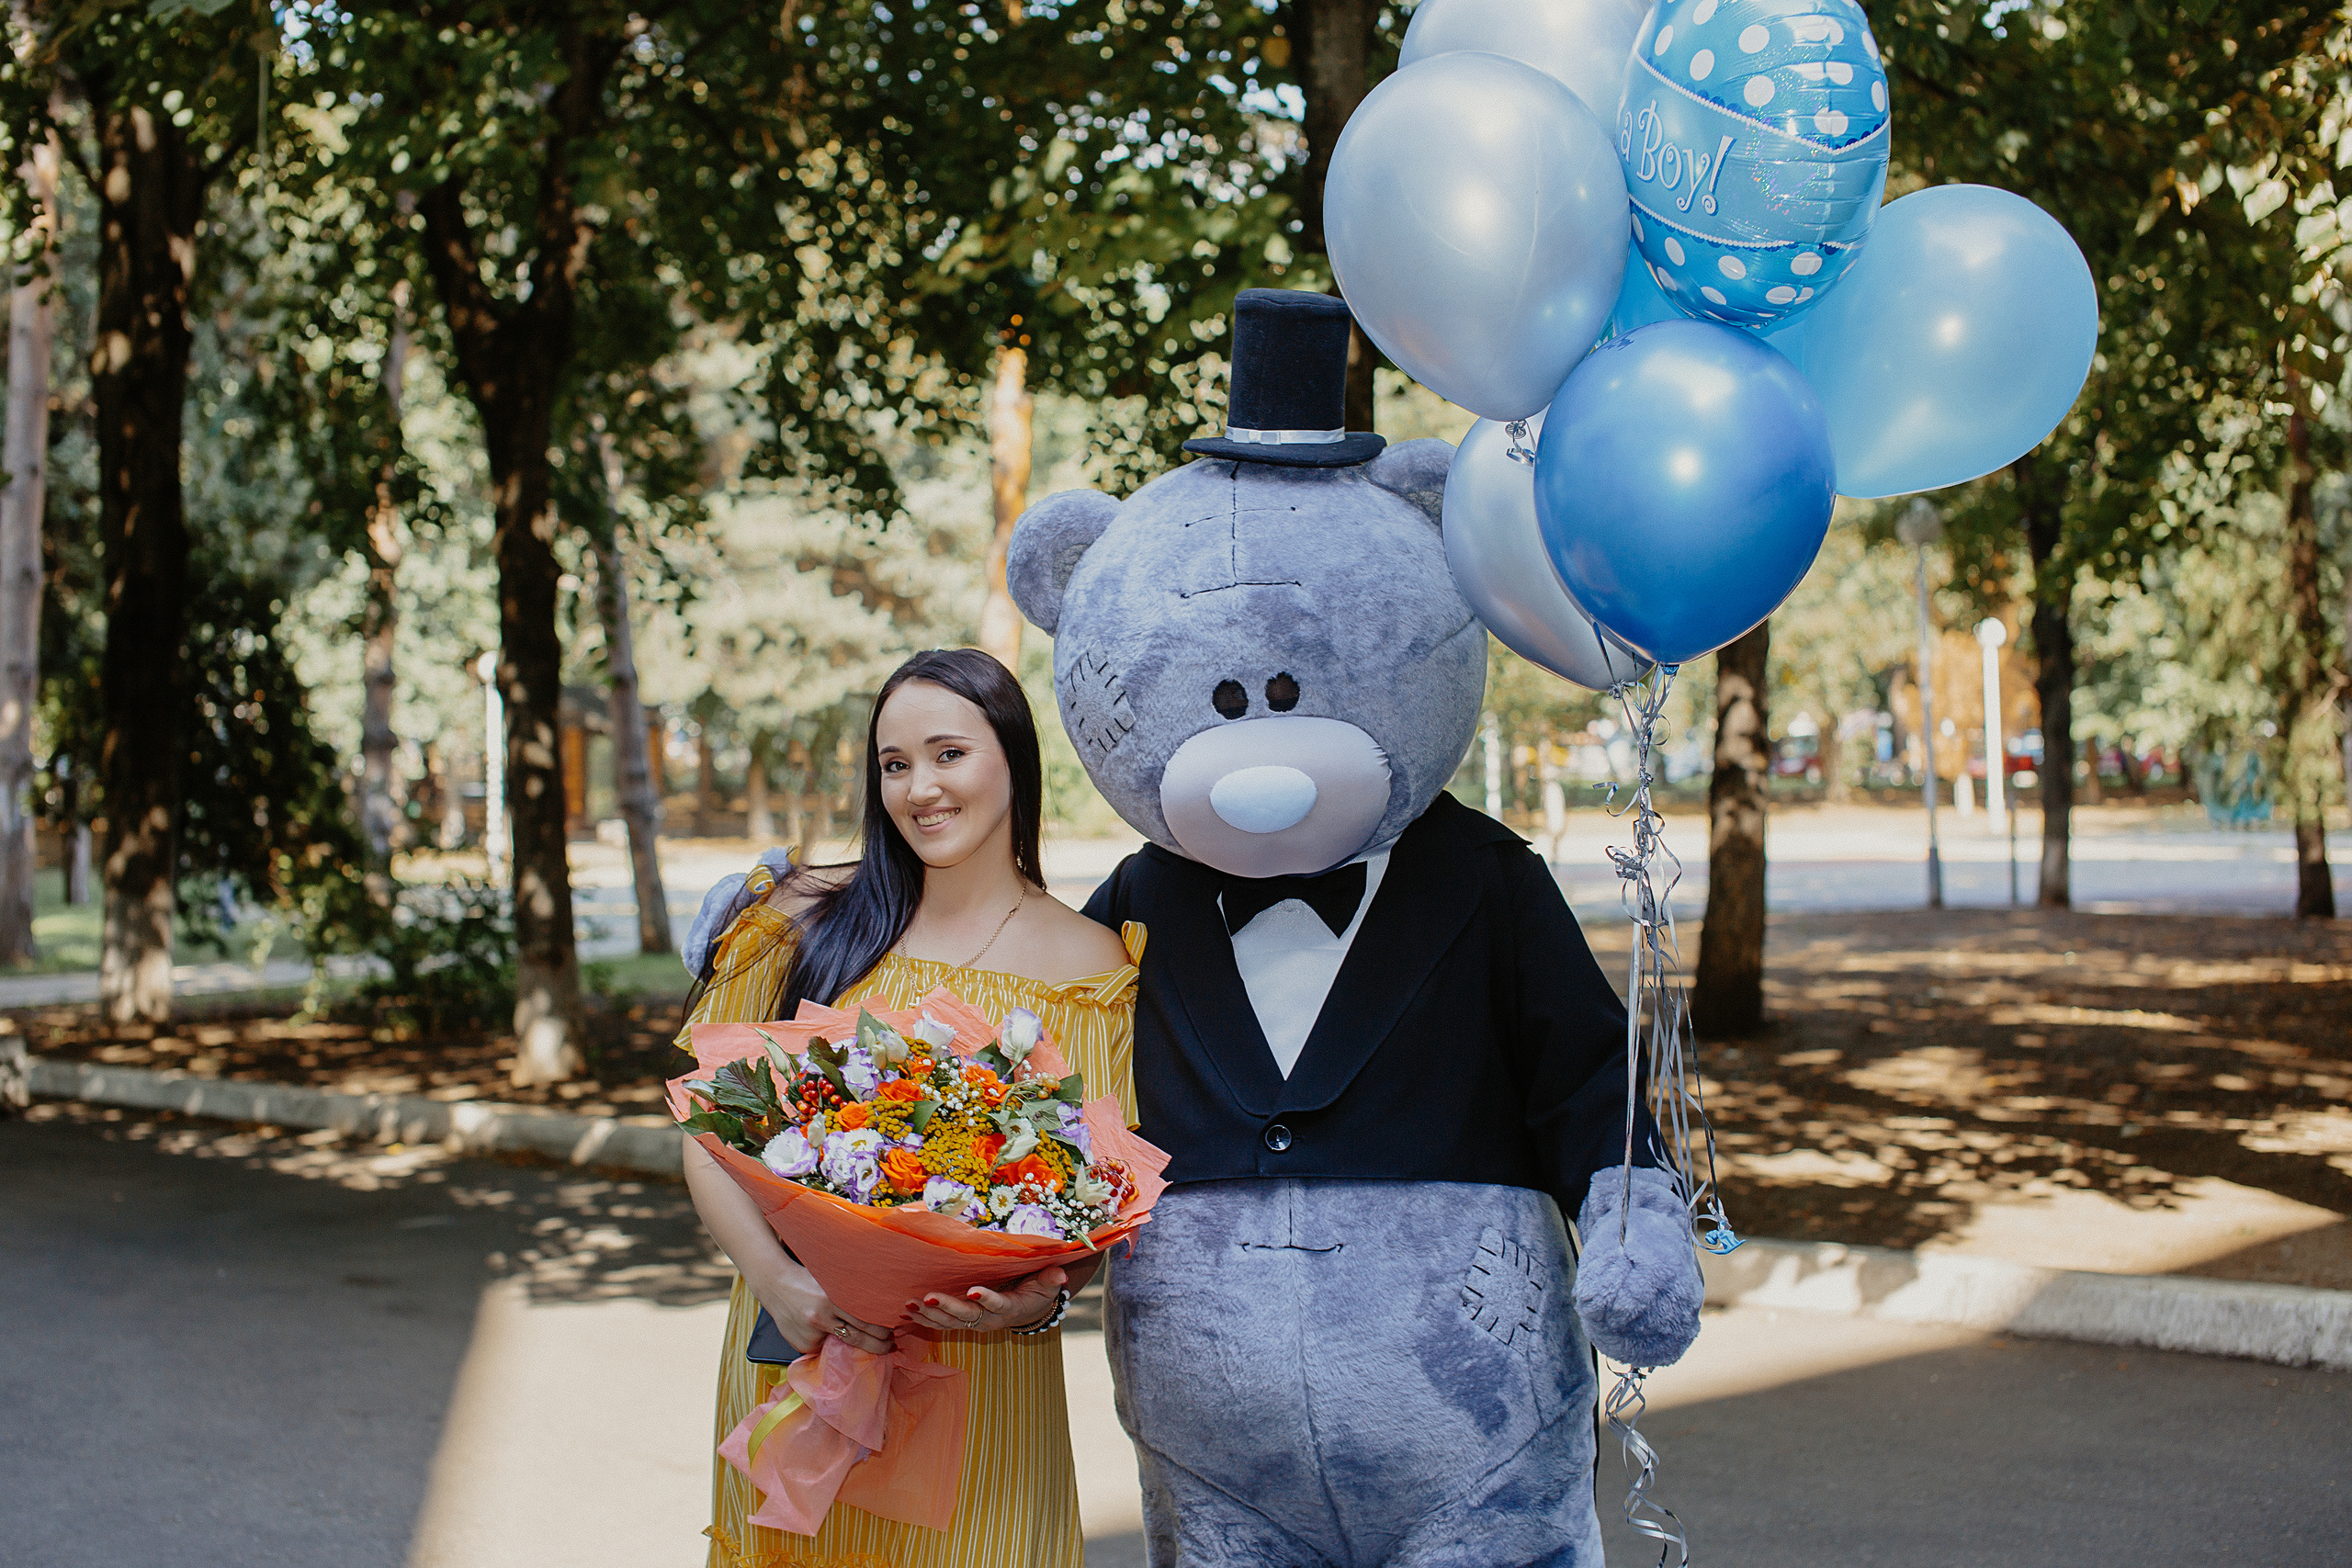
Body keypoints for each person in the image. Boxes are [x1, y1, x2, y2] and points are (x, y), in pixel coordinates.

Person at [680, 648, 1143, 1568]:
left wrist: (1033, 1306)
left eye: (947, 754)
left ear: (1013, 757)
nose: (919, 788)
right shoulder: (804, 919)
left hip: (982, 1385)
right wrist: (782, 1284)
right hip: (798, 1352)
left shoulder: (1093, 970)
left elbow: (1092, 1201)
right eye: (894, 765)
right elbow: (706, 1132)